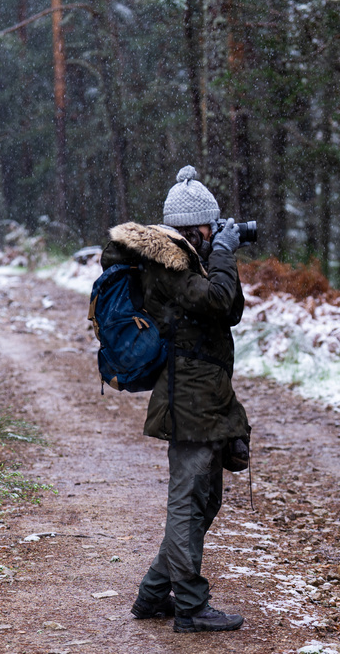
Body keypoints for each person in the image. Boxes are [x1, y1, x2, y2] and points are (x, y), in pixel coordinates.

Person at [99, 165, 250, 633]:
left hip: (206, 395)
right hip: (188, 397)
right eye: (211, 226)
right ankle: (188, 606)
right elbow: (218, 302)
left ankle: (152, 594)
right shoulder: (170, 264)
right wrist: (223, 252)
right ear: (193, 228)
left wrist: (221, 253)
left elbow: (233, 311)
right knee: (188, 501)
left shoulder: (191, 259)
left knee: (203, 502)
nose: (216, 232)